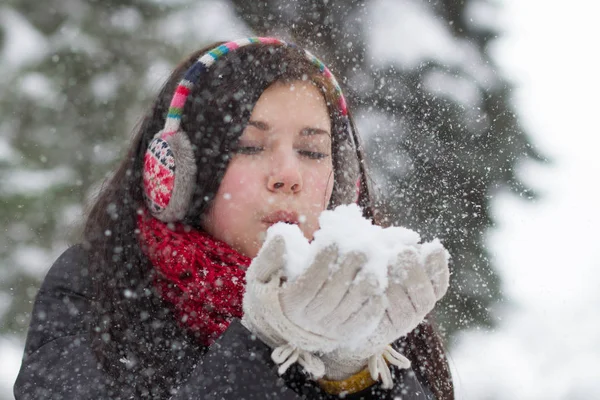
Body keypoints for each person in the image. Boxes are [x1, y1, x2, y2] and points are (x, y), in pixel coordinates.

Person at [14, 37, 454, 399]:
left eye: (312, 152)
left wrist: (354, 373)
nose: (288, 175)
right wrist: (265, 345)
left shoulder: (376, 302)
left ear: (342, 183)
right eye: (249, 146)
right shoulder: (95, 287)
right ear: (179, 174)